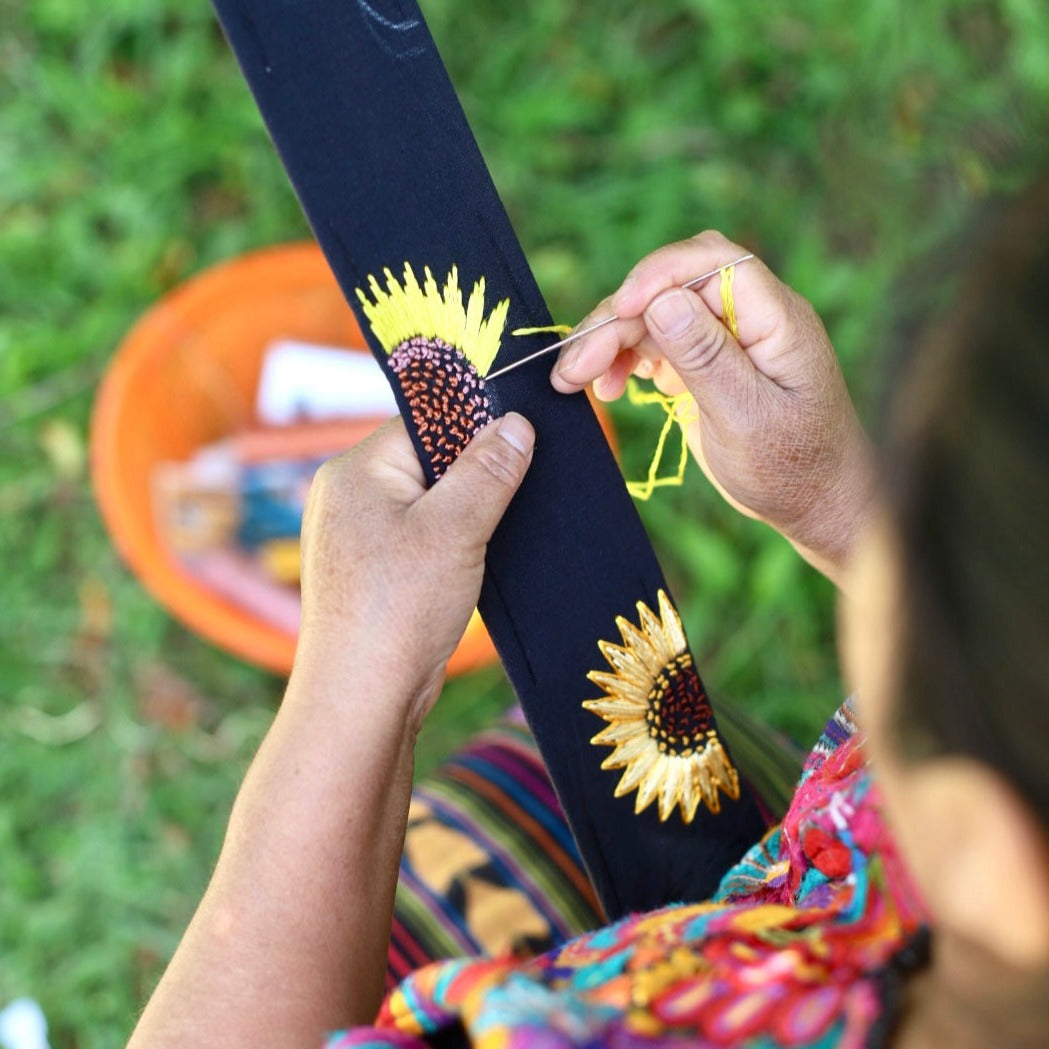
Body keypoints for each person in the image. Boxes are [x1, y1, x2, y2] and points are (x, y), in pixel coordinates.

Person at [126, 180, 1049, 1049]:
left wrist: (357, 682)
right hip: (802, 896)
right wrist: (844, 508)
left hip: (684, 955)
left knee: (491, 793)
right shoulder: (989, 867)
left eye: (921, 572)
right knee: (565, 763)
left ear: (986, 846)